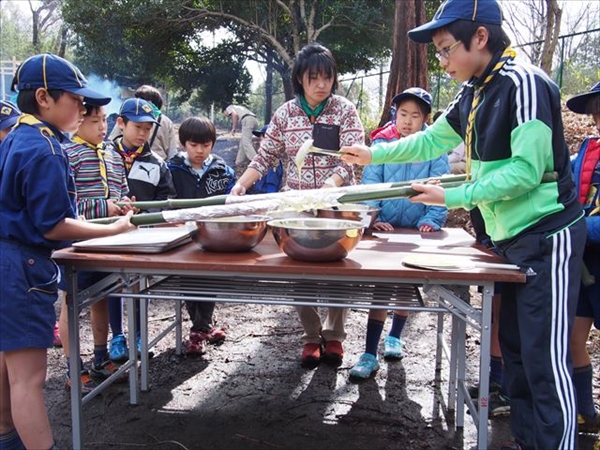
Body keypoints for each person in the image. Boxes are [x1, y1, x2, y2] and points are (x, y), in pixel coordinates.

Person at [340, 1, 586, 448]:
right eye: (437, 52)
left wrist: (452, 196)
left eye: (446, 48)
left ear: (480, 38)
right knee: (516, 355)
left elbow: (527, 173)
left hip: (547, 237)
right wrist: (374, 153)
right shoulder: (476, 89)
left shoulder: (523, 84)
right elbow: (434, 138)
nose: (442, 61)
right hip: (510, 241)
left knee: (544, 362)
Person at [0, 53, 135, 450]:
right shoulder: (45, 149)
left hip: (7, 262)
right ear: (44, 97)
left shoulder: (17, 137)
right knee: (29, 379)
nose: (82, 106)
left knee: (7, 367)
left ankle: (7, 438)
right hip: (22, 268)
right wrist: (112, 228)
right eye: (75, 98)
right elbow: (53, 223)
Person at [231, 42, 364, 369]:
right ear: (300, 80)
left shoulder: (344, 110)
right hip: (295, 207)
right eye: (313, 77)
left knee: (338, 270)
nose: (321, 84)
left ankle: (334, 336)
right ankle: (311, 335)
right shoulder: (285, 114)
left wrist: (329, 187)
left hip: (336, 204)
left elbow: (352, 159)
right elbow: (265, 157)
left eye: (327, 77)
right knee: (299, 271)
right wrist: (241, 185)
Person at [349, 87, 449, 379]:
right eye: (403, 114)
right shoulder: (380, 144)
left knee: (405, 288)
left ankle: (395, 337)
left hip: (418, 233)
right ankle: (369, 352)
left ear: (425, 119)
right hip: (387, 231)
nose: (407, 121)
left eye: (415, 116)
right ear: (394, 114)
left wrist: (432, 220)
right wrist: (373, 217)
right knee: (381, 290)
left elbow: (441, 186)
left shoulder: (434, 147)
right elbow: (370, 185)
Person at [58, 102, 136, 393]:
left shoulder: (113, 155)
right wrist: (106, 206)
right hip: (77, 246)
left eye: (104, 120)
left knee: (101, 297)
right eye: (94, 121)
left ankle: (101, 358)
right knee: (71, 304)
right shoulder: (68, 155)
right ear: (77, 122)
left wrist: (127, 202)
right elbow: (68, 206)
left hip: (109, 243)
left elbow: (121, 190)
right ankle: (72, 368)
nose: (102, 127)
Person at [108, 97, 176, 361]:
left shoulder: (157, 164)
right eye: (137, 126)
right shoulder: (105, 156)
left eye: (148, 128)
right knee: (111, 284)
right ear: (121, 123)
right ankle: (117, 336)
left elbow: (166, 202)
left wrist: (143, 215)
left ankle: (138, 334)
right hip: (109, 235)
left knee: (138, 285)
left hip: (142, 238)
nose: (143, 133)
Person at [167, 116, 235, 354]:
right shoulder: (171, 169)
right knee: (188, 280)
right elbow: (166, 200)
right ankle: (203, 325)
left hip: (211, 237)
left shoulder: (223, 171)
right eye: (194, 145)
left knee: (208, 277)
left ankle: (199, 329)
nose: (199, 150)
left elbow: (231, 202)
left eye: (205, 145)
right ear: (184, 143)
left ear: (213, 145)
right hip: (183, 235)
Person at [566, 81, 600, 434]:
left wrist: (574, 230)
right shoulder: (587, 151)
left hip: (585, 241)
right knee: (575, 336)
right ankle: (584, 412)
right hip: (584, 260)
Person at [108, 86, 179, 161]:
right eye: (138, 127)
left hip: (126, 162)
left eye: (148, 128)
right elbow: (172, 153)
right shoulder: (166, 122)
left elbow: (112, 141)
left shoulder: (129, 117)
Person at [247, 124, 284, 194]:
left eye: (262, 138)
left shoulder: (273, 162)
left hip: (263, 197)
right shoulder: (265, 160)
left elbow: (272, 188)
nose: (260, 142)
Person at [222, 103, 259, 172]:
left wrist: (234, 128)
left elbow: (234, 115)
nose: (227, 115)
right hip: (254, 120)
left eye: (225, 114)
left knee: (246, 142)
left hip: (247, 119)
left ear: (225, 110)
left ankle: (257, 162)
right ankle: (239, 162)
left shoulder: (229, 107)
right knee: (243, 142)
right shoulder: (237, 107)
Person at [433, 110, 466, 174]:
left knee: (446, 169)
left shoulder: (456, 132)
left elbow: (457, 156)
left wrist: (441, 161)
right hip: (451, 160)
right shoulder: (439, 134)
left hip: (463, 162)